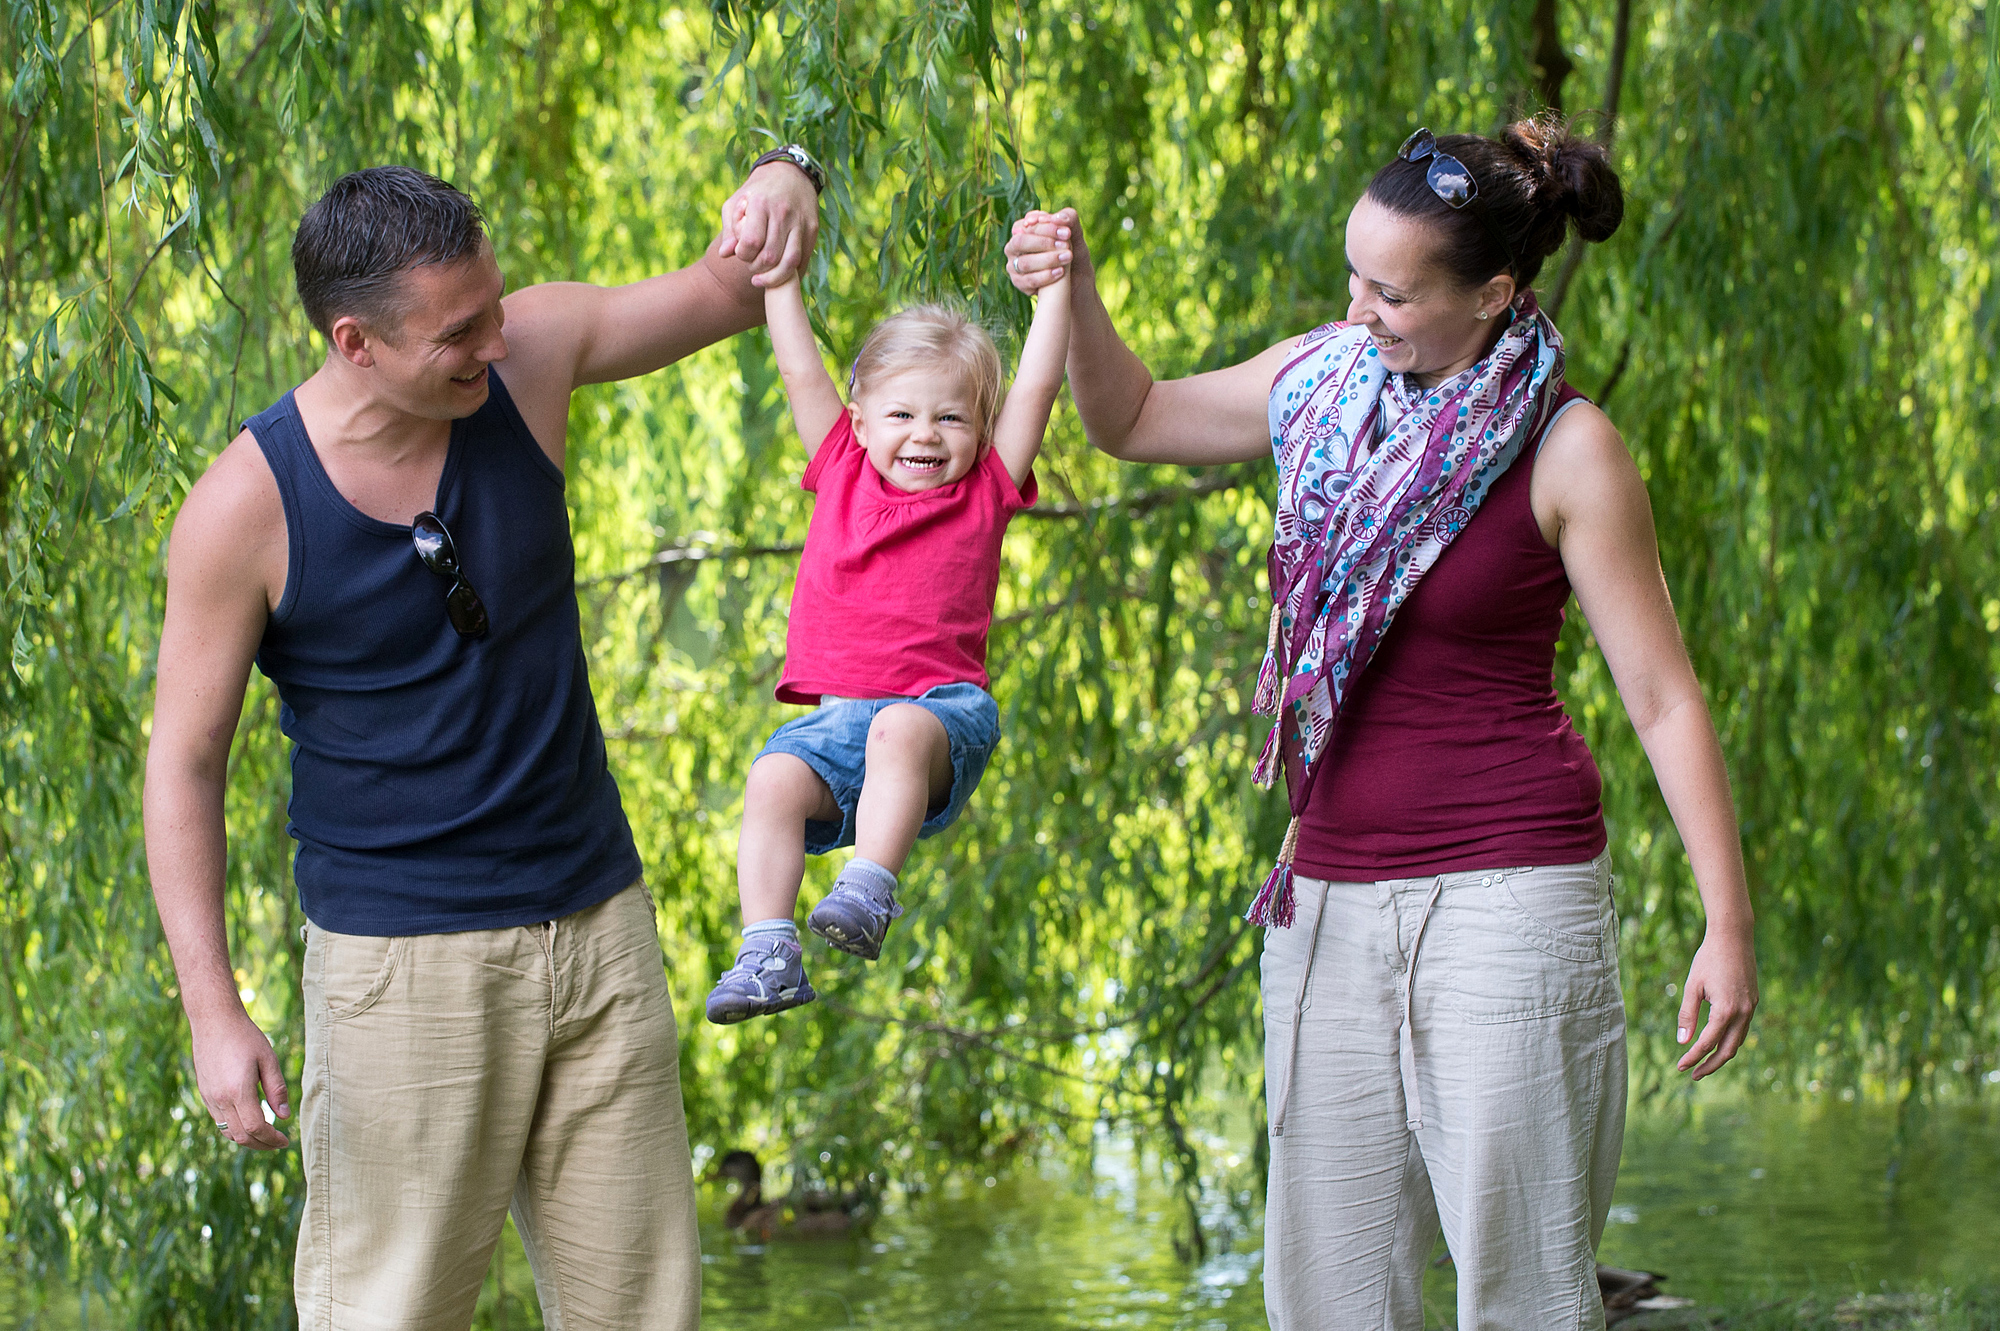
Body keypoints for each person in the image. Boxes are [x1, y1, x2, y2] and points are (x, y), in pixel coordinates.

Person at [1004, 118, 1758, 1330]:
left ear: (1494, 293)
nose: (1358, 310)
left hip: (1508, 903)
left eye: (1393, 292)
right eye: (1351, 274)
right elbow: (1131, 416)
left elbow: (1661, 698)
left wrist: (1725, 920)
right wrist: (1074, 294)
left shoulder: (1570, 448)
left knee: (1519, 1293)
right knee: (1330, 1298)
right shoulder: (1318, 379)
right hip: (1327, 908)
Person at [142, 153, 821, 1330]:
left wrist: (787, 174)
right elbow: (184, 763)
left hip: (598, 931)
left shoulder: (533, 353)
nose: (496, 342)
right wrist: (213, 1005)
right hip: (402, 973)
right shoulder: (243, 508)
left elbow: (728, 283)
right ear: (355, 342)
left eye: (495, 305)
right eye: (458, 332)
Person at [702, 234, 1073, 1024]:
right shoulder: (838, 464)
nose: (926, 434)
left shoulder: (984, 490)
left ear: (980, 430)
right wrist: (780, 282)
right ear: (861, 422)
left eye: (950, 418)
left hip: (942, 712)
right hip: (840, 721)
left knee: (899, 729)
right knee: (770, 777)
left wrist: (1055, 295)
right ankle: (767, 949)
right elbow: (801, 367)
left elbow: (1037, 387)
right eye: (902, 413)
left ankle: (870, 887)